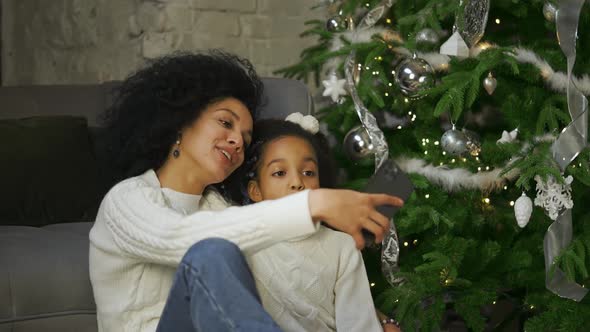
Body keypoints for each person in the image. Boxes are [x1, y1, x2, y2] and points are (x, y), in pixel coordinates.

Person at [89, 50, 403, 332]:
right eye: (225, 123)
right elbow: (181, 240)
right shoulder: (127, 201)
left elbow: (287, 279)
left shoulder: (222, 211)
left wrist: (371, 316)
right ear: (180, 122)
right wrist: (313, 202)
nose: (237, 140)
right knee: (213, 251)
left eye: (246, 137)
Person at [202, 113, 401, 332]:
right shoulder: (240, 230)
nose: (297, 182)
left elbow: (359, 323)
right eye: (279, 173)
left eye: (308, 172)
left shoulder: (341, 247)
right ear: (255, 191)